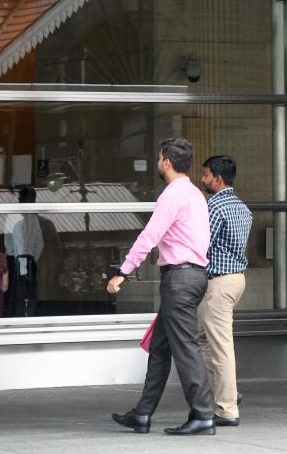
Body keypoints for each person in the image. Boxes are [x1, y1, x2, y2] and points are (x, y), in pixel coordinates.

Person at [108, 137, 216, 436]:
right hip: (190, 276)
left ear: (166, 161)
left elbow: (149, 236)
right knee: (160, 347)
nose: (157, 163)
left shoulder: (173, 195)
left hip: (180, 279)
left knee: (185, 349)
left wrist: (123, 272)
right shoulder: (195, 194)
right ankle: (142, 414)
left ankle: (203, 415)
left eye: (158, 159)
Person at [197, 155, 252, 427]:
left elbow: (201, 245)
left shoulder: (214, 207)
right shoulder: (242, 207)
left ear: (218, 179)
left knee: (219, 346)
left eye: (206, 175)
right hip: (236, 279)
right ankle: (224, 391)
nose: (203, 180)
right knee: (204, 338)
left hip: (218, 282)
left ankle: (227, 408)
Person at [5, 187, 45, 317]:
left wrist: (22, 266)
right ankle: (28, 318)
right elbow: (40, 244)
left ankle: (18, 320)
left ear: (19, 198)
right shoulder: (33, 218)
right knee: (30, 294)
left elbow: (16, 244)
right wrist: (32, 260)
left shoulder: (14, 215)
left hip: (17, 262)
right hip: (28, 261)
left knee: (18, 296)